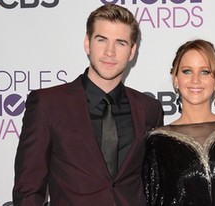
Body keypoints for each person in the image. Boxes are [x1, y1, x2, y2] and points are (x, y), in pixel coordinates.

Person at [12, 4, 164, 205]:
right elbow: (28, 187)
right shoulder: (48, 104)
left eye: (120, 43)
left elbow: (154, 184)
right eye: (102, 40)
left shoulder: (149, 109)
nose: (110, 52)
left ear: (132, 51)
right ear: (87, 43)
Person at [142, 39, 215, 206]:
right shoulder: (158, 142)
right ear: (176, 80)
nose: (195, 80)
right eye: (187, 71)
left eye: (205, 72)